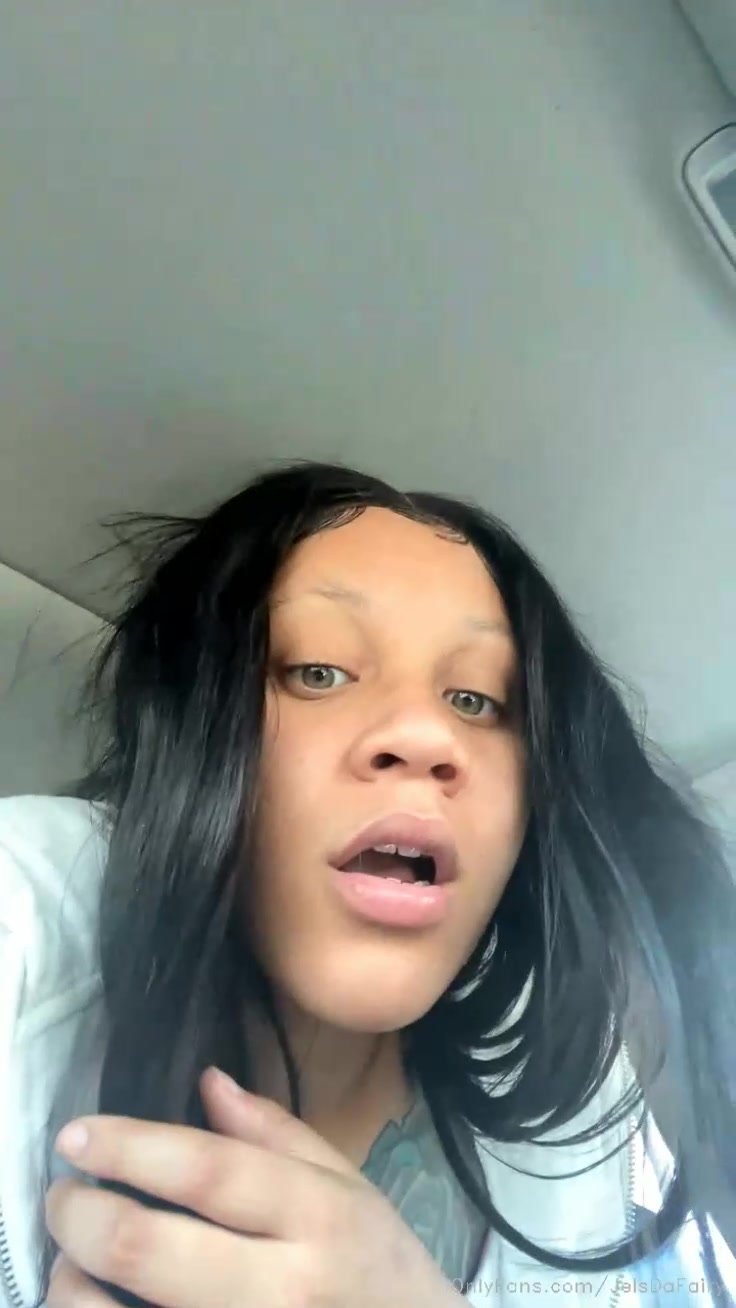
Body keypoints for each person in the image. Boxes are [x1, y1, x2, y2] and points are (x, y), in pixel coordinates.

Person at [1, 460, 734, 1308]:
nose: (426, 734)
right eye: (318, 671)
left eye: (475, 699)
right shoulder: (25, 919)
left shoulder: (588, 1117)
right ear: (193, 734)